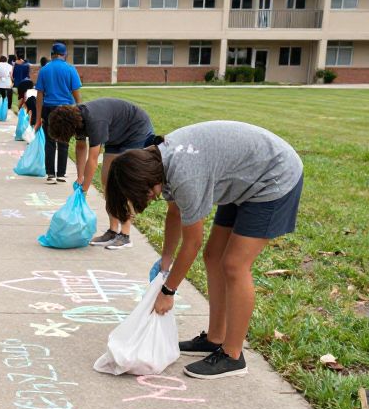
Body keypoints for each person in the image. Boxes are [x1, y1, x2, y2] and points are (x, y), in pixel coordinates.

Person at [105, 121, 304, 380]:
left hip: (273, 176)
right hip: (244, 176)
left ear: (146, 179)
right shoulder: (160, 162)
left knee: (234, 264)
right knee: (214, 256)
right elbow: (175, 212)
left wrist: (168, 291)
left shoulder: (185, 175)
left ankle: (233, 355)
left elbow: (192, 243)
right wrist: (166, 260)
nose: (150, 200)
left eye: (145, 195)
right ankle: (215, 339)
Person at [45, 98, 156, 249]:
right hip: (115, 135)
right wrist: (80, 177)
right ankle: (112, 230)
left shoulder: (94, 120)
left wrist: (84, 190)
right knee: (106, 180)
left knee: (124, 182)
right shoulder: (77, 119)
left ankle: (125, 234)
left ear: (70, 126)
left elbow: (93, 158)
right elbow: (80, 147)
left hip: (135, 132)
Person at [34, 42, 82, 184]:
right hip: (66, 108)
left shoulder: (44, 70)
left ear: (52, 54)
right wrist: (80, 111)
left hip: (48, 108)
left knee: (49, 142)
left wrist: (38, 118)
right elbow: (76, 93)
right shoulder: (70, 69)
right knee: (64, 140)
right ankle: (61, 173)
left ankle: (50, 174)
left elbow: (39, 96)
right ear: (65, 54)